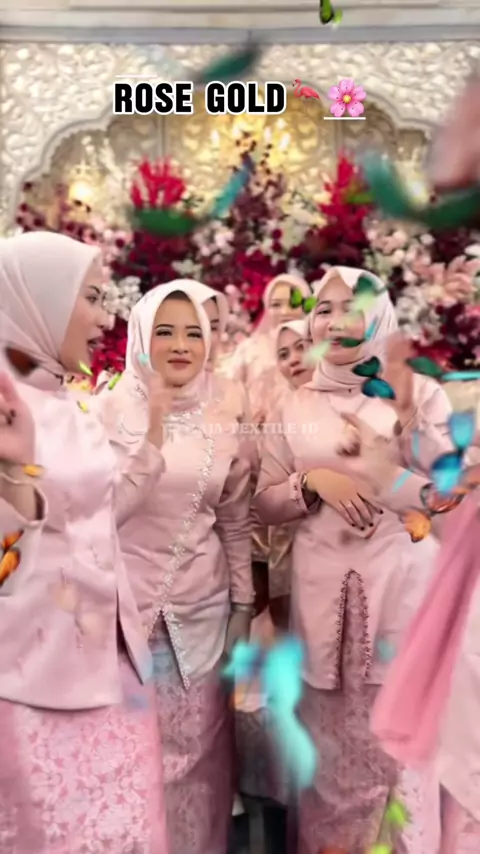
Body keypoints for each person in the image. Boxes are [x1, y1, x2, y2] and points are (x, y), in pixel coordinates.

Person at [254, 265, 453, 854]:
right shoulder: (291, 404)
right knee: (331, 760)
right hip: (321, 604)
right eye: (324, 309)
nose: (336, 321)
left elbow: (451, 497)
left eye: (353, 307)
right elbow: (263, 503)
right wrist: (311, 482)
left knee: (402, 761)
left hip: (403, 599)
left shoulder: (416, 394)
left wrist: (385, 474)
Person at [0, 231, 168, 853]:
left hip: (113, 669)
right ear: (38, 299)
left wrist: (152, 437)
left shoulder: (71, 404)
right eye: (92, 298)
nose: (105, 319)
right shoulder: (6, 408)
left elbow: (100, 516)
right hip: (31, 680)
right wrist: (16, 483)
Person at [95, 280, 254, 854]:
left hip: (202, 613)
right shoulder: (106, 412)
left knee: (199, 760)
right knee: (128, 761)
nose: (181, 345)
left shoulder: (225, 414)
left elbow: (234, 517)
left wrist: (243, 605)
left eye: (193, 333)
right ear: (141, 337)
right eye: (165, 331)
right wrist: (155, 431)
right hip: (123, 619)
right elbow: (98, 514)